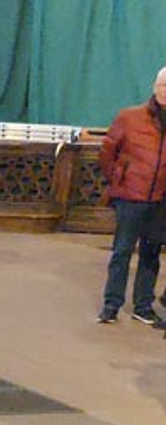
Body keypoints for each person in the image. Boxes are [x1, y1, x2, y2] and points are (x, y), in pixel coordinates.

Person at [98, 71, 166, 326]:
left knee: (151, 255)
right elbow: (107, 153)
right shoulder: (130, 117)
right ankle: (111, 304)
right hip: (130, 198)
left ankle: (143, 306)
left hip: (160, 201)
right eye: (163, 85)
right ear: (154, 86)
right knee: (122, 251)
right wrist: (119, 179)